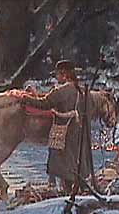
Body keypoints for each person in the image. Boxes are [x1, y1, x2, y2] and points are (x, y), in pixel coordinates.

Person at [8, 60, 91, 193]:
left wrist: (24, 98)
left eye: (58, 74)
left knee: (63, 161)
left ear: (64, 75)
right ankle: (74, 188)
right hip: (76, 128)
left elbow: (45, 103)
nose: (56, 77)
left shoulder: (62, 91)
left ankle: (68, 191)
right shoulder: (79, 89)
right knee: (75, 160)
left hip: (64, 130)